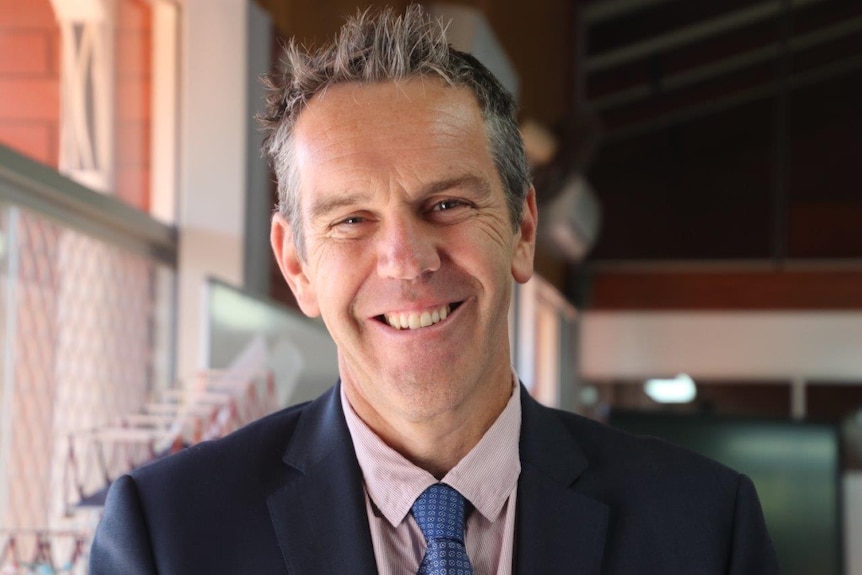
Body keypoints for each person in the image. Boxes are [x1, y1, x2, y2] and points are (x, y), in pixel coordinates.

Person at [89, 6, 778, 574]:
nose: (407, 261)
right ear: (296, 265)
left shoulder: (704, 528)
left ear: (523, 229)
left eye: (445, 204)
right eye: (352, 220)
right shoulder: (170, 536)